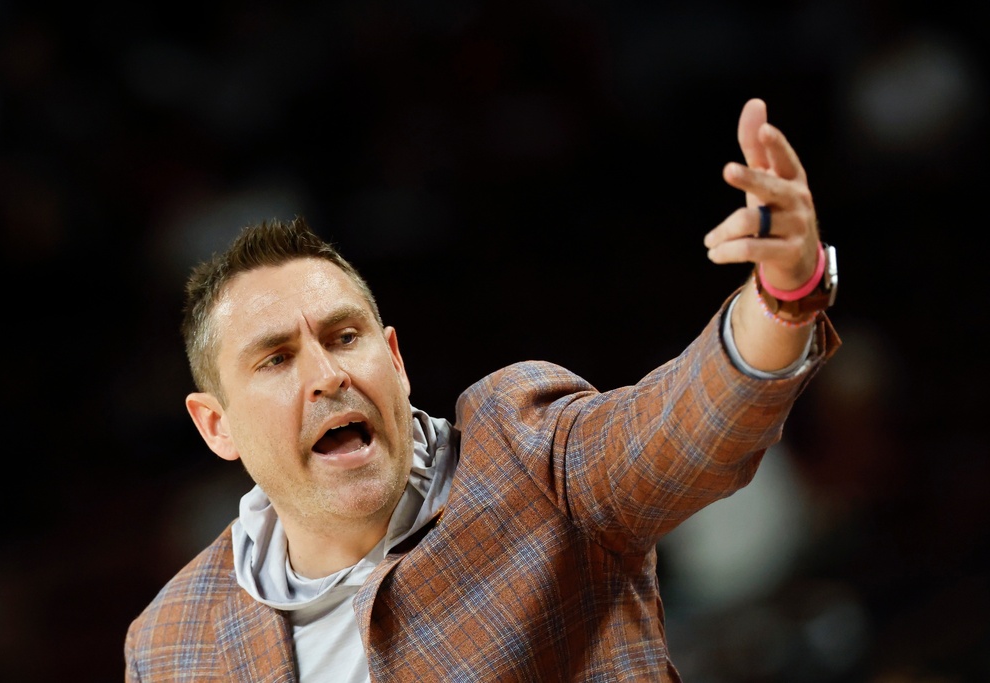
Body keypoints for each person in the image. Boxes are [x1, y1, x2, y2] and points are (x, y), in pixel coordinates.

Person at [124, 97, 841, 682]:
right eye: (277, 359)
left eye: (344, 337)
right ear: (215, 425)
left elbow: (682, 426)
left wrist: (784, 294)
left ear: (395, 359)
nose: (328, 375)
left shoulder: (523, 454)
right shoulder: (174, 644)